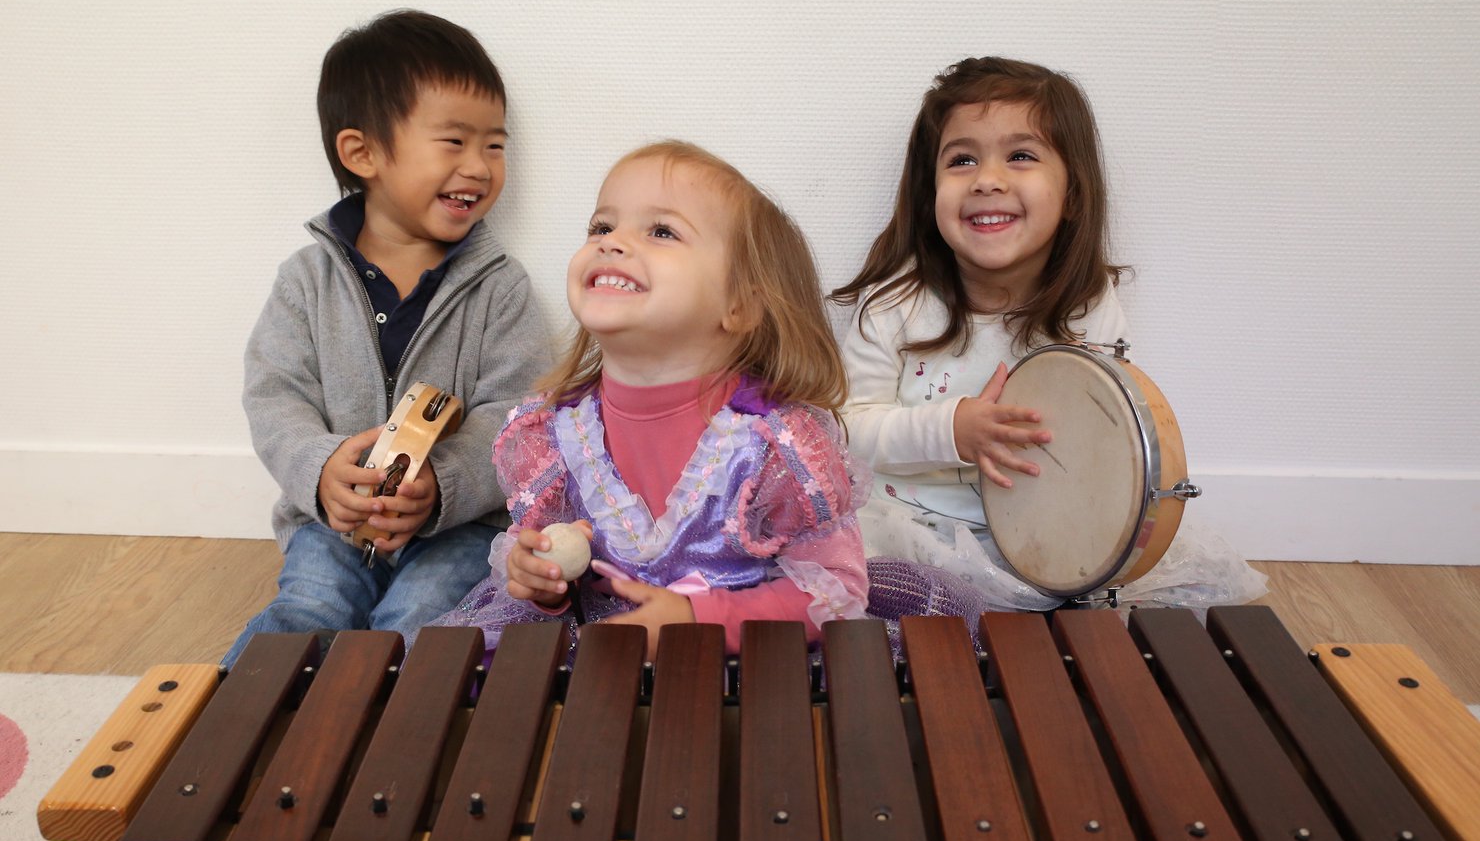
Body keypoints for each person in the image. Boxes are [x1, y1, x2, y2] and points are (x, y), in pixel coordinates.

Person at [835, 56, 1263, 614]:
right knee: (888, 592)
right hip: (916, 533)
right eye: (962, 159)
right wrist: (951, 430)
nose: (988, 179)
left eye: (1021, 156)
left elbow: (1104, 438)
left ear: (1073, 194)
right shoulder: (896, 306)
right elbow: (843, 433)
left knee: (1195, 592)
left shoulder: (1088, 307)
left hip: (1046, 536)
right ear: (928, 194)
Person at [422, 141, 869, 660]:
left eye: (661, 231)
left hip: (746, 674)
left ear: (740, 305)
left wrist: (695, 620)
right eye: (602, 227)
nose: (613, 243)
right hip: (602, 667)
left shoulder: (777, 447)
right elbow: (551, 578)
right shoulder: (551, 436)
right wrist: (541, 580)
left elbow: (838, 594)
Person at [223, 10, 548, 666]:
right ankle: (231, 728)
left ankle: (384, 742)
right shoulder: (306, 281)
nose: (481, 167)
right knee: (309, 608)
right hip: (334, 522)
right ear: (362, 153)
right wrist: (320, 472)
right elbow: (274, 397)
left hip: (456, 527)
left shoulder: (501, 288)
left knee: (422, 620)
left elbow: (519, 418)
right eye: (454, 141)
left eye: (495, 145)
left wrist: (444, 484)